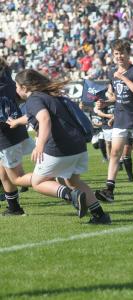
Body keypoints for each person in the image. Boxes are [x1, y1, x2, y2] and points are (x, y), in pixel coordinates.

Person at [12, 69, 111, 224]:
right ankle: (100, 215)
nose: (16, 90)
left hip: (59, 148)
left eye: (17, 86)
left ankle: (71, 196)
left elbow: (44, 119)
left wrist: (40, 145)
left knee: (37, 182)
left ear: (25, 87)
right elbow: (35, 116)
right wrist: (17, 122)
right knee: (73, 182)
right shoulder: (51, 95)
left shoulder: (34, 99)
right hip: (78, 146)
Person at [95, 39, 133, 201]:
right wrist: (106, 102)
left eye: (122, 53)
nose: (119, 56)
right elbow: (118, 96)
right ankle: (109, 190)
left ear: (128, 54)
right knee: (115, 153)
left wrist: (123, 78)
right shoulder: (112, 72)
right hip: (121, 118)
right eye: (116, 53)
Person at [0, 58, 34, 216]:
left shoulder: (4, 82)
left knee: (17, 178)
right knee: (3, 174)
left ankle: (66, 191)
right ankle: (14, 208)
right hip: (13, 132)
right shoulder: (7, 78)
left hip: (6, 135)